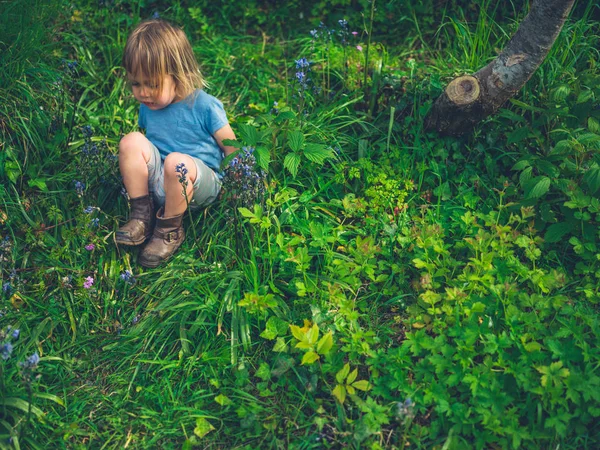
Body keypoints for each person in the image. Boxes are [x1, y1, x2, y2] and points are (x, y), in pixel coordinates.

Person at [115, 19, 236, 268]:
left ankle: (169, 230)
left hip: (199, 183)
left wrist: (239, 187)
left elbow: (233, 147)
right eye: (136, 83)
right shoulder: (148, 106)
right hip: (163, 178)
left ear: (178, 74)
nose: (143, 93)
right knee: (130, 141)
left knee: (176, 162)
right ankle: (142, 214)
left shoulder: (204, 105)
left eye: (153, 84)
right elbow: (146, 149)